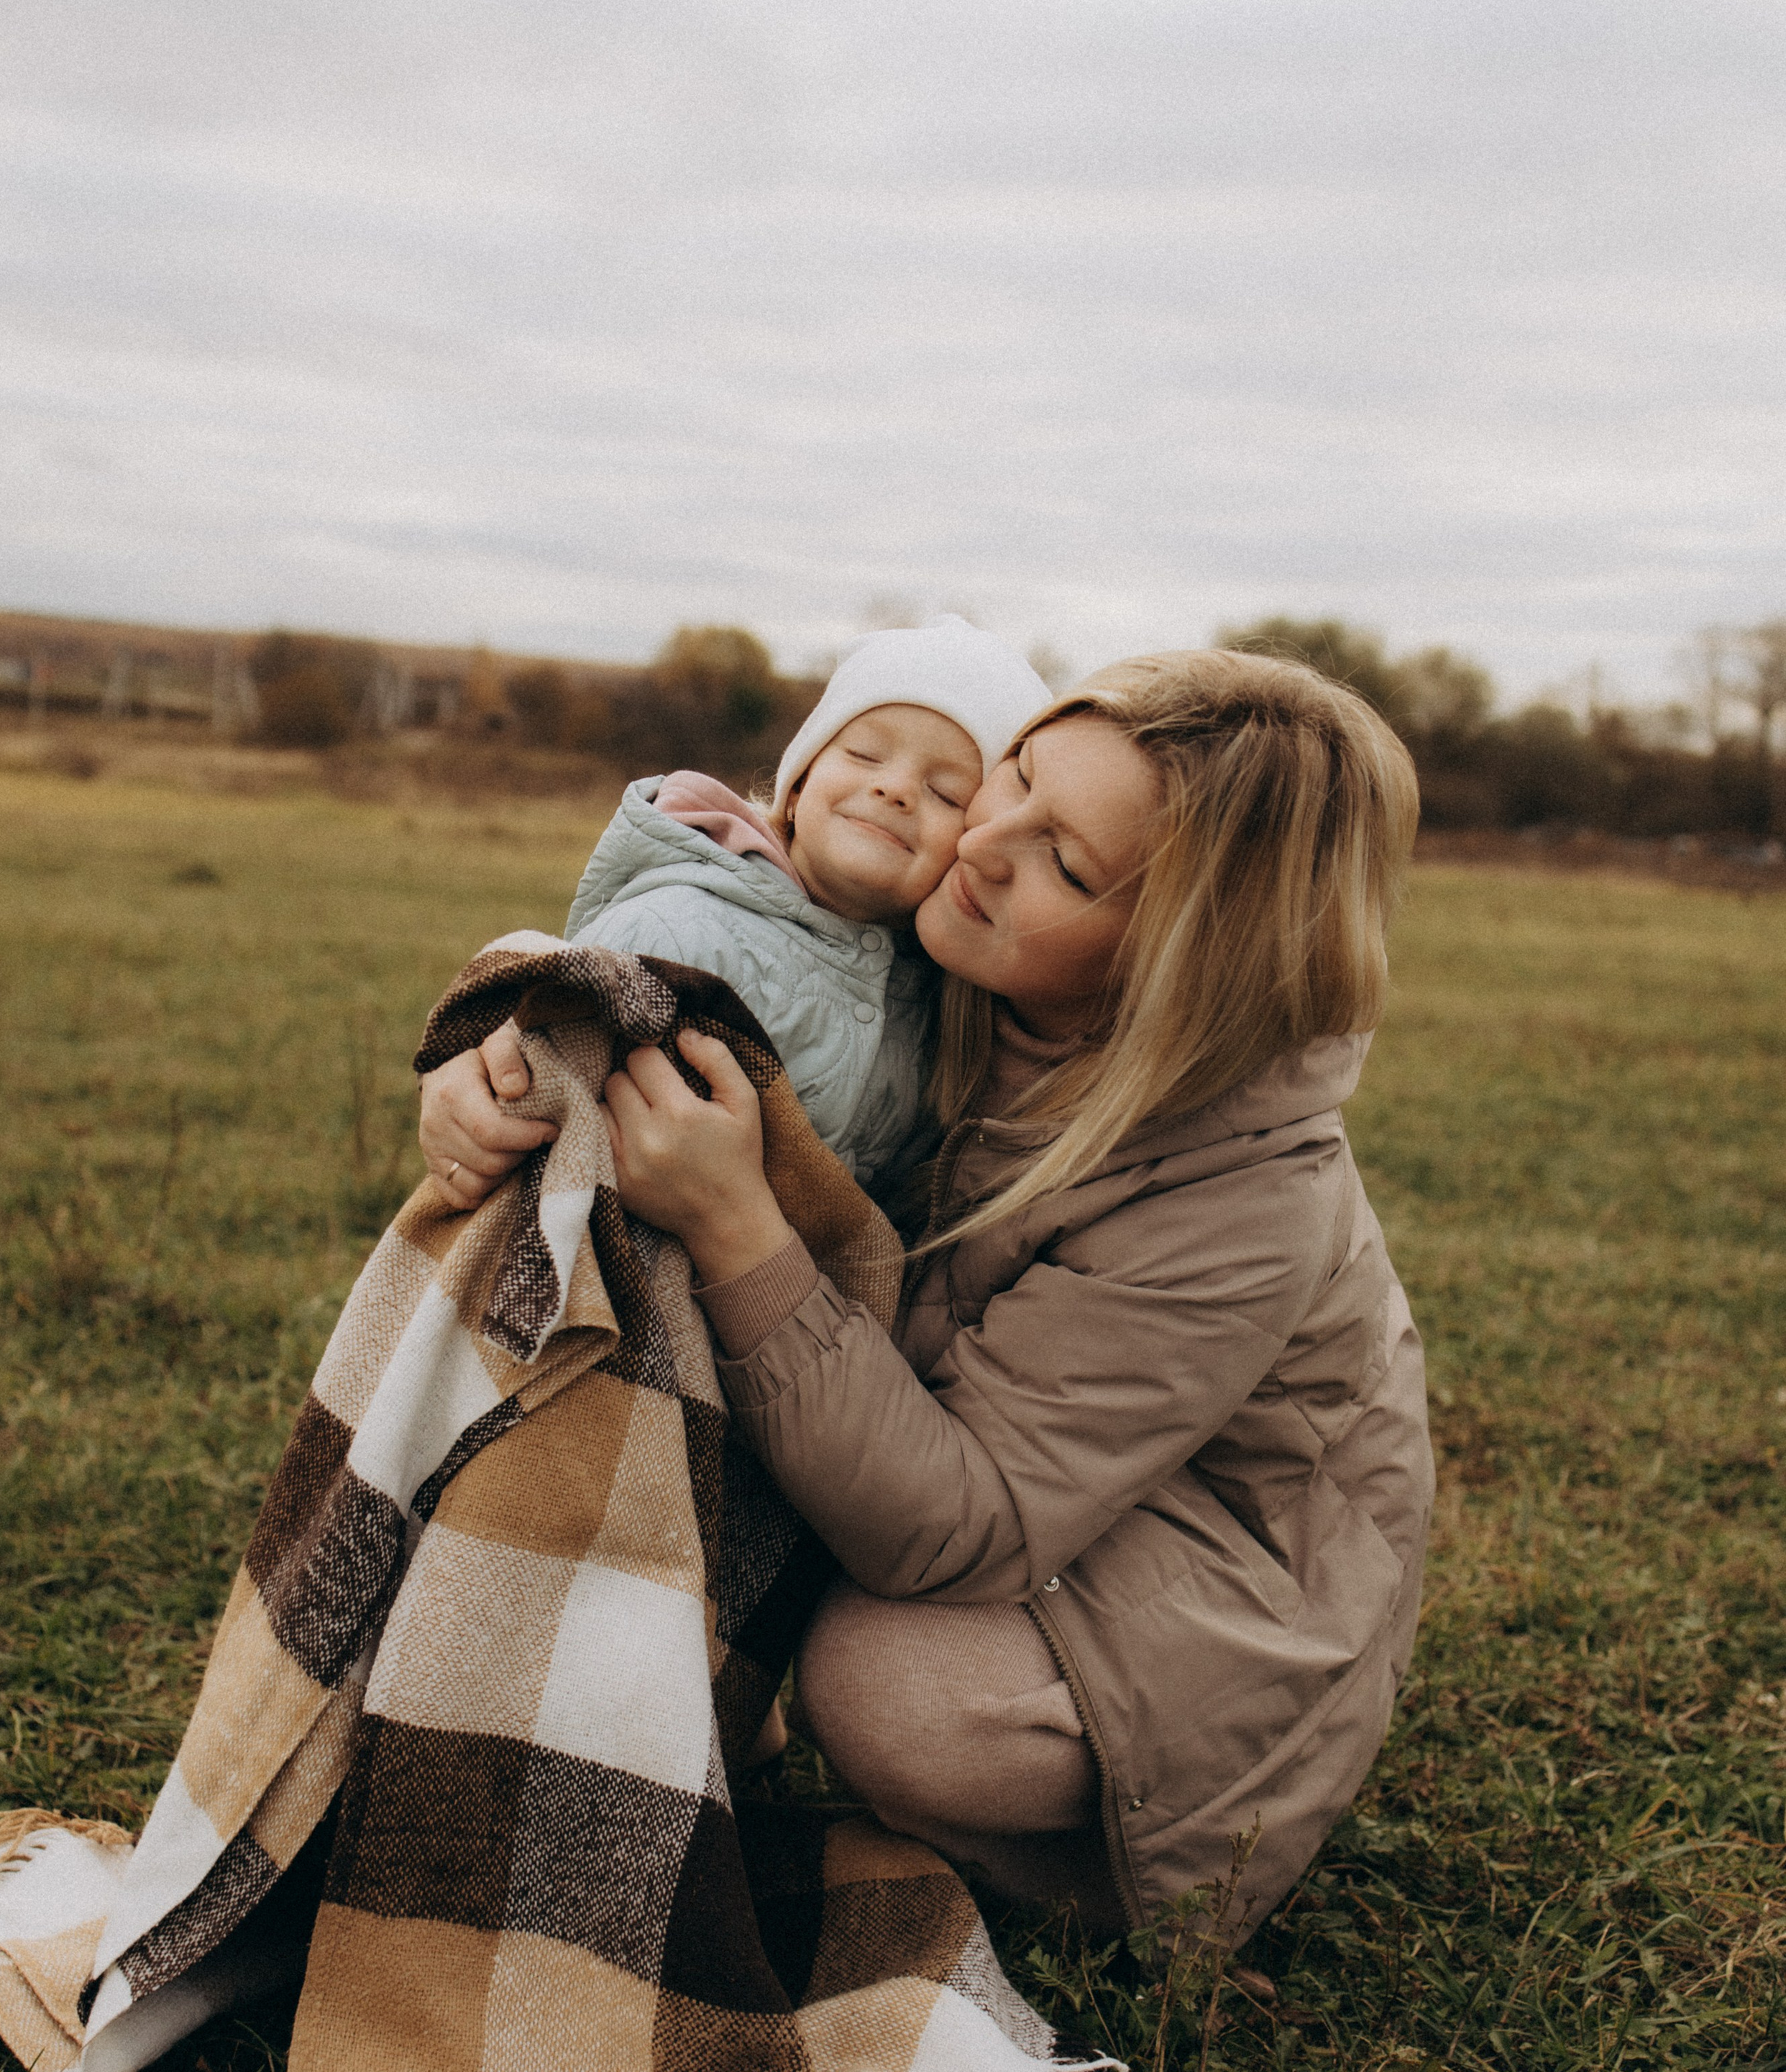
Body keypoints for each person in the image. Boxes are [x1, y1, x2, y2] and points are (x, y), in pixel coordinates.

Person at [419, 649, 1435, 1943]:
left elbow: (958, 1529)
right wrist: (501, 1038)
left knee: (890, 1688)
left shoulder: (1244, 1201)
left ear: (1182, 962)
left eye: (1065, 863)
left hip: (1211, 1588)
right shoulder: (963, 948)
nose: (982, 845)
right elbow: (695, 910)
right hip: (1027, 1464)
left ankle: (1071, 1881)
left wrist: (737, 1223)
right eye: (1014, 773)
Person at [425, 616, 1046, 1205]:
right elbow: (521, 1081)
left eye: (946, 792)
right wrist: (466, 1073)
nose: (895, 788)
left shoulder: (944, 1002)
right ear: (798, 786)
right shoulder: (678, 929)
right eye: (862, 755)